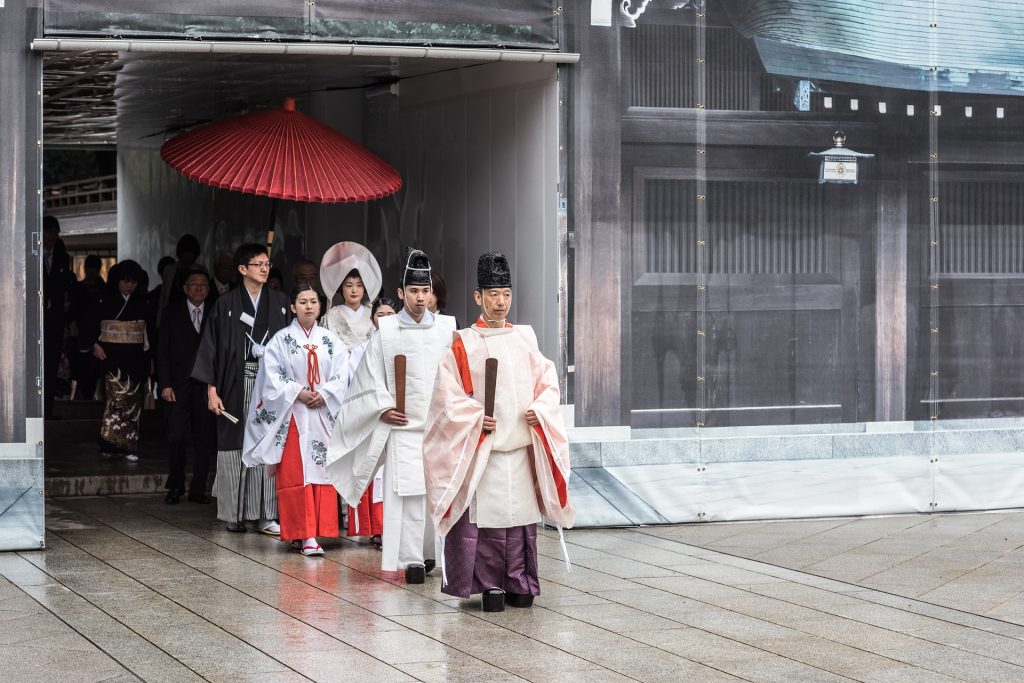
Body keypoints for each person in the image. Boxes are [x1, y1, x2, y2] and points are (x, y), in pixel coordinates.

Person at [422, 252, 575, 612]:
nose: (501, 301)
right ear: (478, 297)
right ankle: (488, 583)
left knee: (520, 518)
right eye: (493, 294)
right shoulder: (463, 342)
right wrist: (475, 417)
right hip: (485, 450)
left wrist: (540, 410)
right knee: (486, 520)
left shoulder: (525, 338)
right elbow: (446, 397)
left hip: (519, 445)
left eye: (505, 293)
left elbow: (546, 381)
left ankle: (520, 581)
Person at [326, 250, 456, 583]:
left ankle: (436, 556)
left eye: (425, 291)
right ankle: (411, 558)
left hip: (438, 427)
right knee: (409, 495)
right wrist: (383, 406)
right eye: (413, 291)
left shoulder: (446, 329)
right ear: (401, 293)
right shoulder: (387, 330)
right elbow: (367, 377)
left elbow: (457, 376)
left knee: (437, 493)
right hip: (404, 427)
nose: (420, 297)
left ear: (432, 293)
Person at [242, 285, 348, 556]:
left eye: (313, 302)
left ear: (320, 306)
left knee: (320, 472)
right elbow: (271, 377)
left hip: (322, 415)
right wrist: (297, 391)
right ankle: (304, 534)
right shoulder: (280, 340)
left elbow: (342, 375)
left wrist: (324, 394)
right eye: (303, 302)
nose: (309, 306)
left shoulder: (331, 340)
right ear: (293, 307)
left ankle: (316, 531)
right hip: (292, 416)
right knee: (295, 474)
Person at [191, 243, 291, 534]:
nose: (264, 268)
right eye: (258, 264)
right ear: (242, 269)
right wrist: (211, 389)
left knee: (267, 441)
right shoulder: (225, 304)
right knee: (235, 443)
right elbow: (210, 348)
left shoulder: (282, 303)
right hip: (236, 381)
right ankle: (233, 512)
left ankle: (267, 513)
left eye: (267, 264)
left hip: (270, 385)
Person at [84, 259, 154, 462]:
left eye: (133, 282)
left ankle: (130, 445)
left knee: (133, 401)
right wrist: (95, 345)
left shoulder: (142, 302)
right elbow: (89, 326)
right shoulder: (103, 300)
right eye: (125, 282)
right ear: (117, 281)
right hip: (111, 356)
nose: (129, 286)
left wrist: (150, 357)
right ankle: (109, 443)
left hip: (135, 357)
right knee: (114, 402)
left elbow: (149, 333)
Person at [158, 269, 217, 505]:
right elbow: (162, 352)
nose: (199, 288)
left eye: (203, 285)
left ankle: (198, 489)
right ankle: (175, 485)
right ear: (185, 288)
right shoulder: (171, 313)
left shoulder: (215, 312)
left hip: (206, 386)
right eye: (194, 284)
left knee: (205, 439)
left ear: (209, 290)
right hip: (178, 386)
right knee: (177, 436)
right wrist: (164, 384)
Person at [343, 296, 398, 543]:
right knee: (373, 469)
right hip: (372, 417)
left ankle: (394, 527)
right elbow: (355, 385)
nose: (385, 319)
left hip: (398, 417)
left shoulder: (403, 344)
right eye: (380, 314)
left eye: (390, 315)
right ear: (372, 317)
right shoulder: (360, 350)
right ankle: (376, 528)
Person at [320, 242, 383, 349]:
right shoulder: (330, 316)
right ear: (341, 288)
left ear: (364, 288)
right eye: (349, 286)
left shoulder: (372, 313)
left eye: (359, 285)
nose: (354, 290)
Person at [43, 215, 76, 417]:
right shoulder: (31, 252)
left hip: (54, 321)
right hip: (33, 319)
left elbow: (66, 290)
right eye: (49, 231)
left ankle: (47, 410)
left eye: (56, 231)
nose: (53, 235)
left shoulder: (63, 257)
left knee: (51, 366)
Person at [70, 255, 105, 401]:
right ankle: (85, 394)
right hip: (82, 332)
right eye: (90, 268)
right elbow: (73, 310)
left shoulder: (103, 288)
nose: (92, 271)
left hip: (97, 332)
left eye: (94, 268)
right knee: (83, 366)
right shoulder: (79, 288)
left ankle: (90, 394)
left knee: (95, 367)